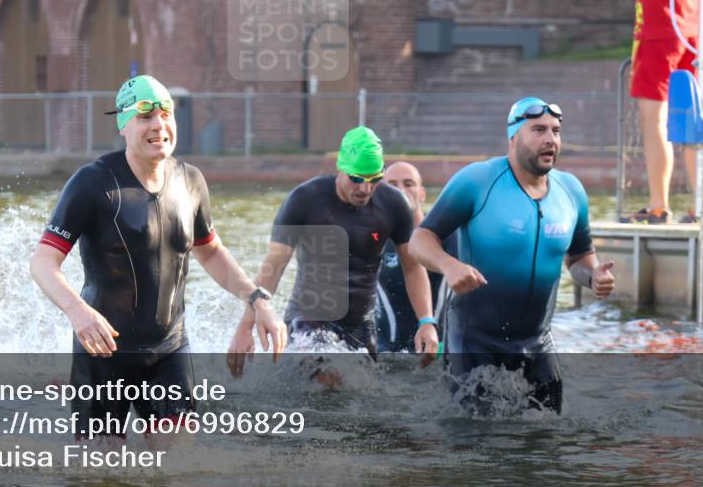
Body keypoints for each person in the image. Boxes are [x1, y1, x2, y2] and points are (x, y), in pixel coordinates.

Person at [31, 75, 286, 439]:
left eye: (166, 114)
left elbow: (210, 251)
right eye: (145, 117)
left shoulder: (190, 181)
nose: (159, 126)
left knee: (176, 475)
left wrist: (258, 300)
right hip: (104, 352)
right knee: (104, 483)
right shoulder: (93, 183)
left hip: (168, 349)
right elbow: (42, 262)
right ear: (123, 124)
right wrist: (78, 312)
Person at [409, 98, 615, 413]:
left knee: (547, 441)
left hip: (537, 343)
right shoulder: (478, 181)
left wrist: (593, 276)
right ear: (513, 137)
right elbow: (420, 239)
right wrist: (449, 266)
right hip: (475, 343)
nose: (551, 139)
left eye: (556, 131)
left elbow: (580, 257)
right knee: (478, 447)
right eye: (539, 130)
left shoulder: (571, 191)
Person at [229, 127, 439, 374]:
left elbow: (413, 267)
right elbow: (274, 265)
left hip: (361, 325)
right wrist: (246, 326)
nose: (365, 189)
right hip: (308, 319)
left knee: (366, 398)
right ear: (341, 167)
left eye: (373, 179)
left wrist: (427, 321)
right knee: (331, 376)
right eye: (356, 178)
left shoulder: (393, 204)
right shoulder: (306, 199)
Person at [609, 0, 703, 224]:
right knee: (695, 125)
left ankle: (659, 205)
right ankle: (701, 207)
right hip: (695, 36)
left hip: (658, 34)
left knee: (655, 123)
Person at [375, 161, 457, 353]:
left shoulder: (448, 235)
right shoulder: (373, 239)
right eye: (392, 185)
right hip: (387, 354)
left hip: (439, 351)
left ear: (422, 194)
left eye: (408, 184)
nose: (400, 191)